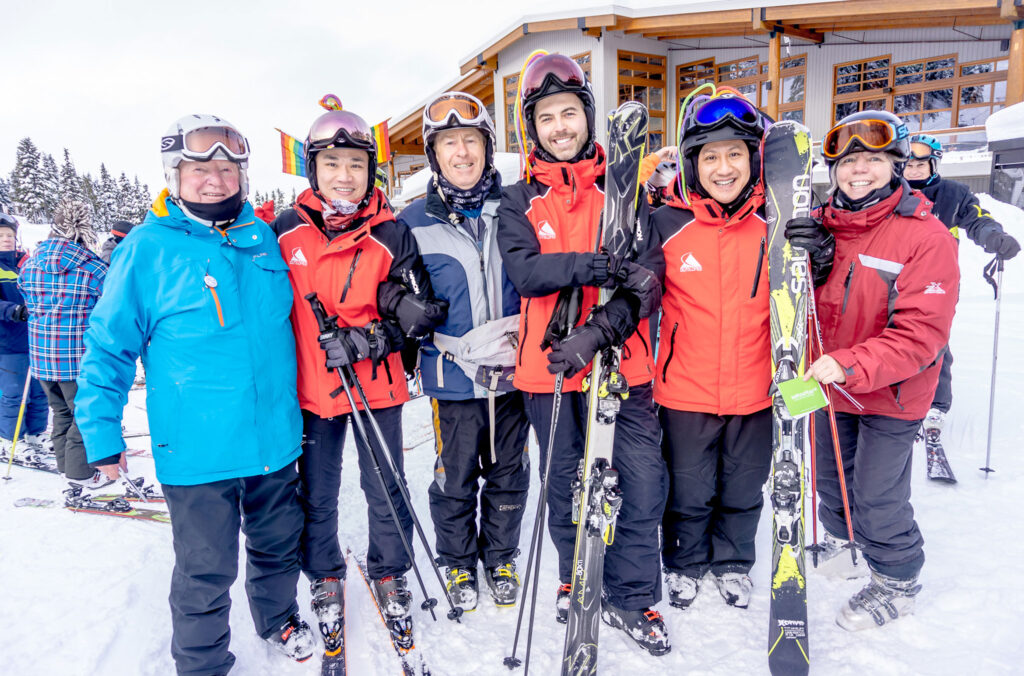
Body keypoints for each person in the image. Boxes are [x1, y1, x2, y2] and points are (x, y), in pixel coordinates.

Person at [75, 114, 315, 673]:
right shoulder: (147, 248)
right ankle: (204, 661)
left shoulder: (264, 239)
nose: (215, 179)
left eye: (227, 167)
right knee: (206, 566)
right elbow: (108, 346)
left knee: (278, 547)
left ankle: (277, 617)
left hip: (274, 437)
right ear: (174, 174)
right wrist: (101, 435)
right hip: (198, 448)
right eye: (200, 168)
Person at [497, 52, 669, 655]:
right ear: (533, 128)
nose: (561, 126)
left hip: (623, 367)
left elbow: (646, 280)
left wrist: (602, 329)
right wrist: (591, 266)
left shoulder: (624, 192)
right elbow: (525, 272)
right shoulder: (518, 201)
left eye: (570, 112)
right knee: (568, 482)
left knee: (642, 481)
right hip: (550, 373)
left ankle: (631, 594)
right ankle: (577, 577)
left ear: (587, 118)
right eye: (548, 117)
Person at [270, 108, 444, 651]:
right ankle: (323, 571)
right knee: (317, 492)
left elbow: (420, 313)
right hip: (314, 388)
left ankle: (390, 570)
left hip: (378, 385)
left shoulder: (393, 232)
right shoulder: (284, 231)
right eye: (331, 164)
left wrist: (370, 340)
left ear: (370, 170)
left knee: (385, 487)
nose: (344, 175)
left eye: (354, 163)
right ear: (313, 170)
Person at [787, 110, 959, 630]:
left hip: (892, 393)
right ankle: (844, 543)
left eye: (873, 160)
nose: (859, 171)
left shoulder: (924, 237)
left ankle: (898, 581)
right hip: (827, 385)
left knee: (877, 494)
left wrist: (848, 363)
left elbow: (921, 335)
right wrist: (811, 264)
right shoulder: (819, 226)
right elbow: (802, 306)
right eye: (848, 161)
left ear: (896, 165)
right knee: (831, 482)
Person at [651, 93, 796, 610]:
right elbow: (641, 296)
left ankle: (733, 562)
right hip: (685, 389)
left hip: (755, 390)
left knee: (742, 486)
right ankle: (686, 563)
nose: (723, 167)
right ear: (692, 163)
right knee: (688, 489)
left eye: (735, 153)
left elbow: (805, 298)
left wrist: (813, 253)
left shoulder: (776, 226)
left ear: (754, 159)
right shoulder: (667, 225)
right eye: (709, 156)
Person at [397, 91, 530, 612]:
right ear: (435, 154)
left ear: (487, 147)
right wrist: (402, 312)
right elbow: (392, 291)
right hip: (451, 375)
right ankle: (456, 561)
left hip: (514, 371)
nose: (462, 153)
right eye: (449, 142)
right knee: (455, 475)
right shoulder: (411, 221)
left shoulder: (517, 208)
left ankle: (500, 556)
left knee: (508, 471)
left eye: (471, 140)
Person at [903, 133, 1020, 477]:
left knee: (934, 343)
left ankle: (936, 405)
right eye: (907, 163)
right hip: (893, 280)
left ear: (933, 164)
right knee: (891, 339)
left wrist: (992, 236)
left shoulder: (953, 194)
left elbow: (977, 218)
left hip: (937, 282)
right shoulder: (889, 192)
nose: (912, 170)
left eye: (919, 164)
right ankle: (894, 400)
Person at [18, 200, 121, 486]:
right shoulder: (92, 269)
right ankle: (80, 473)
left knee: (61, 411)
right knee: (84, 415)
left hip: (41, 356)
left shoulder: (30, 264)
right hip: (77, 358)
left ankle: (66, 465)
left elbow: (24, 294)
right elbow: (112, 301)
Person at [0, 212, 51, 460]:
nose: (7, 239)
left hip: (36, 338)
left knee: (40, 390)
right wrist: (14, 311)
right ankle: (10, 439)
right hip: (8, 343)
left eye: (9, 235)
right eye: (1, 235)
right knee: (14, 393)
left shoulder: (26, 263)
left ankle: (35, 432)